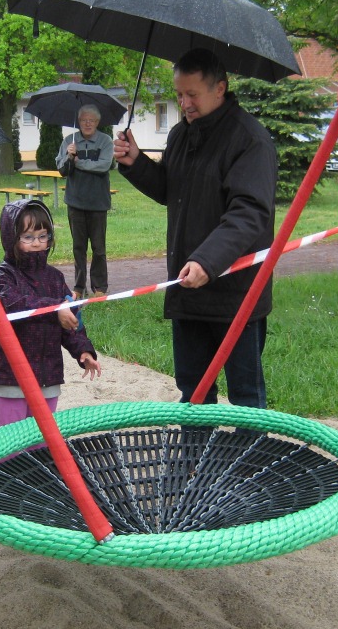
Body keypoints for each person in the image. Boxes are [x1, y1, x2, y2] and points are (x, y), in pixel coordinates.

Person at [113, 48, 277, 408]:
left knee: (246, 395)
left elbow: (249, 213)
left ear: (220, 88)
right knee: (193, 391)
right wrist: (136, 162)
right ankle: (192, 462)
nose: (184, 103)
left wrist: (208, 260)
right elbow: (170, 191)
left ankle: (247, 463)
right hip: (188, 286)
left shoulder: (250, 140)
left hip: (236, 292)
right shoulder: (180, 135)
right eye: (178, 94)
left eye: (192, 94)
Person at [0, 198, 101, 430]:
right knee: (8, 439)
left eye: (43, 236)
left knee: (41, 438)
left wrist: (84, 351)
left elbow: (71, 323)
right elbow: (14, 305)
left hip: (47, 376)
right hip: (12, 376)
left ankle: (40, 467)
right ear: (12, 238)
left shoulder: (55, 278)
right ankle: (5, 468)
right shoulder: (2, 277)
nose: (37, 243)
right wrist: (55, 309)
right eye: (28, 237)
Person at [55, 104, 114, 299]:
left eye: (91, 120)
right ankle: (79, 288)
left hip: (98, 203)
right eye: (83, 120)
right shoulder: (69, 142)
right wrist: (68, 156)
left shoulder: (105, 141)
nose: (87, 124)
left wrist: (79, 162)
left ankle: (99, 288)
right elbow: (62, 170)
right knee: (78, 248)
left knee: (98, 248)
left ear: (97, 122)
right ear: (79, 122)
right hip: (75, 202)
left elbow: (104, 165)